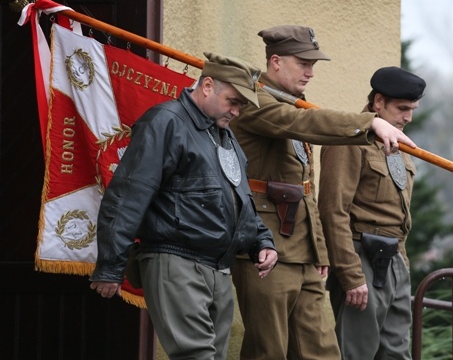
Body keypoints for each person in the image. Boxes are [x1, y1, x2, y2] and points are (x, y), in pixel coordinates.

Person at [230, 25, 416, 360]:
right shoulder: (255, 101)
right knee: (268, 351)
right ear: (275, 62)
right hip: (265, 246)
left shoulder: (293, 105)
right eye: (303, 63)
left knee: (322, 353)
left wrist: (319, 252)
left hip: (302, 249)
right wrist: (368, 123)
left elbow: (306, 190)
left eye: (313, 64)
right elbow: (305, 127)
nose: (311, 72)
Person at [89, 53, 278, 360]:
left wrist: (261, 241)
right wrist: (111, 266)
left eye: (242, 105)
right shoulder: (165, 121)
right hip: (175, 260)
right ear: (206, 86)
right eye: (233, 101)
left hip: (218, 267)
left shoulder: (224, 134)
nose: (237, 111)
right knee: (196, 356)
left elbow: (239, 199)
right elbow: (127, 195)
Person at [318, 66, 425, 359]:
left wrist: (402, 269)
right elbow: (332, 210)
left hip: (395, 261)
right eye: (402, 108)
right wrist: (351, 275)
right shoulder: (351, 140)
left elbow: (399, 217)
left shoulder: (400, 144)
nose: (408, 117)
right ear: (378, 102)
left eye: (412, 109)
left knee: (395, 353)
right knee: (357, 352)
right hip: (360, 257)